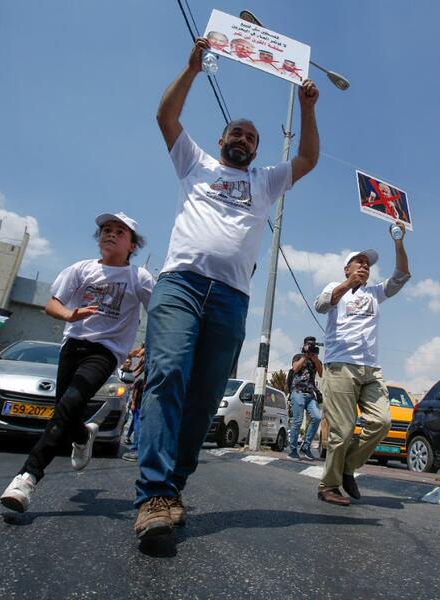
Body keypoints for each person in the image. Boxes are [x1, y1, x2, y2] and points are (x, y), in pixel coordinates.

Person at [134, 36, 319, 539]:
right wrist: (191, 69)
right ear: (221, 140)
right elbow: (165, 117)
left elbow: (306, 159)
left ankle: (173, 486)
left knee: (205, 395)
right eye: (236, 132)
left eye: (252, 138)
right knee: (167, 375)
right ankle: (152, 494)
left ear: (256, 151)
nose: (243, 139)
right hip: (180, 286)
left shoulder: (264, 183)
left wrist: (306, 108)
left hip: (231, 300)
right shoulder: (194, 163)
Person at [0, 212, 154, 513]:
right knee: (64, 412)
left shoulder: (139, 278)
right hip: (73, 346)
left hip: (106, 351)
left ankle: (26, 478)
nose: (110, 234)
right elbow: (52, 303)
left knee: (69, 403)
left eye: (120, 232)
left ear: (133, 246)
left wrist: (151, 345)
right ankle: (83, 434)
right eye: (106, 230)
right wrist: (69, 314)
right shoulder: (81, 269)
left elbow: (158, 311)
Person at [314, 222, 410, 505]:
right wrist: (347, 285)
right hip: (340, 367)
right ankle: (328, 486)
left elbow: (402, 275)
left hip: (370, 369)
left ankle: (346, 468)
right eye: (359, 262)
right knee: (341, 432)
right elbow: (321, 306)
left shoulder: (375, 293)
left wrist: (398, 241)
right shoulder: (336, 287)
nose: (364, 266)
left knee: (382, 421)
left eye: (367, 264)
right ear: (347, 268)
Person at [287, 336, 323, 461]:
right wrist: (304, 355)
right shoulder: (298, 356)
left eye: (313, 344)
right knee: (297, 421)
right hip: (297, 392)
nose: (311, 346)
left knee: (317, 417)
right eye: (309, 344)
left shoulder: (315, 359)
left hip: (310, 394)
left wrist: (315, 358)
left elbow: (321, 373)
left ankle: (305, 446)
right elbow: (295, 368)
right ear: (304, 345)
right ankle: (292, 451)